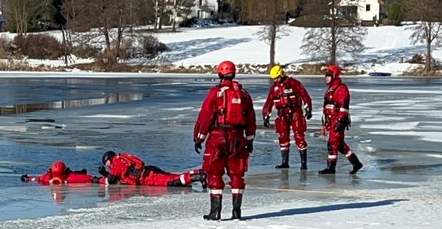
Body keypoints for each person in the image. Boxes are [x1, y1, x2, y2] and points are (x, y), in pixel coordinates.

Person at [192, 60, 257, 220]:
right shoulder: (244, 94)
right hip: (238, 138)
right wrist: (249, 140)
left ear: (220, 74)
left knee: (214, 173)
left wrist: (199, 138)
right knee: (237, 175)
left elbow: (205, 116)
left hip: (218, 137)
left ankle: (216, 212)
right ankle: (237, 212)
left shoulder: (216, 93)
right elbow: (251, 119)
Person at [265, 65, 313, 169]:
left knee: (299, 136)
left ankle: (303, 163)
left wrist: (308, 108)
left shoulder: (294, 83)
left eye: (277, 77)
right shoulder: (274, 88)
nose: (276, 80)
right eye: (274, 78)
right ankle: (284, 162)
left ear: (281, 74)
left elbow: (304, 95)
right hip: (282, 114)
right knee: (283, 137)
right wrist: (266, 115)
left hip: (295, 113)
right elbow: (269, 102)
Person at [318, 65, 363, 175]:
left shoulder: (341, 88)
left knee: (332, 143)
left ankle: (331, 167)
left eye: (328, 76)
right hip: (331, 119)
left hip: (338, 120)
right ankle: (356, 163)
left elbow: (344, 105)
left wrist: (340, 120)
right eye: (326, 77)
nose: (326, 79)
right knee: (339, 144)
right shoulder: (331, 88)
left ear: (334, 76)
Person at [98, 151, 204, 188]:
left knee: (172, 181)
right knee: (172, 176)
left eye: (107, 163)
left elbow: (112, 179)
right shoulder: (122, 158)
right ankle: (199, 173)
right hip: (148, 171)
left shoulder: (116, 162)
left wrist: (103, 175)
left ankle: (197, 176)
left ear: (109, 158)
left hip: (147, 177)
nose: (108, 165)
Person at [22, 160, 100, 185]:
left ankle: (82, 171)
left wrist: (27, 178)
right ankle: (83, 171)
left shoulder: (46, 178)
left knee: (79, 173)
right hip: (70, 174)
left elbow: (36, 179)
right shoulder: (70, 178)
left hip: (69, 174)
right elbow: (90, 178)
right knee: (80, 173)